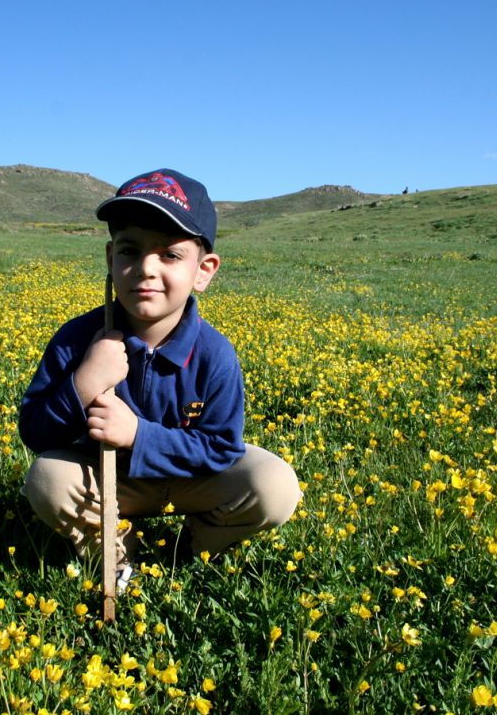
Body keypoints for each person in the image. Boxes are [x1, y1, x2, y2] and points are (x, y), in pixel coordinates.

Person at [19, 168, 301, 587]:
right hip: (110, 482)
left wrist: (137, 435)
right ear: (111, 258)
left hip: (192, 482)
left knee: (275, 484)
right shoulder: (78, 339)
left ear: (203, 270)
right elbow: (36, 433)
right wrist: (84, 382)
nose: (146, 268)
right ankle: (114, 550)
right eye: (130, 251)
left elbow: (222, 449)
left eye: (169, 255)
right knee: (46, 477)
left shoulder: (215, 354)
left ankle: (194, 548)